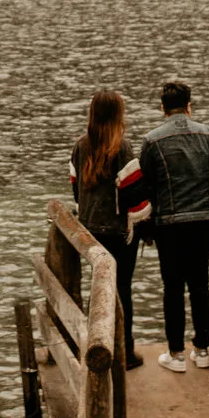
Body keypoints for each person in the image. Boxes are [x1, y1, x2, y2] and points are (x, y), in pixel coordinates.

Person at [134, 78, 209, 373]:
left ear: (162, 108)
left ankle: (176, 354)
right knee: (201, 285)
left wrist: (147, 228)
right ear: (189, 106)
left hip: (169, 226)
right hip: (203, 221)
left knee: (173, 288)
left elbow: (145, 187)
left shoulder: (152, 140)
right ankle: (203, 350)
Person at [70, 90, 144, 368]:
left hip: (90, 231)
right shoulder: (122, 148)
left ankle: (97, 345)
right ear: (117, 115)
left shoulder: (80, 146)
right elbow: (133, 190)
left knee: (98, 291)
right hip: (118, 231)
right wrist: (143, 222)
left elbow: (75, 187)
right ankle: (125, 352)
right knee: (122, 290)